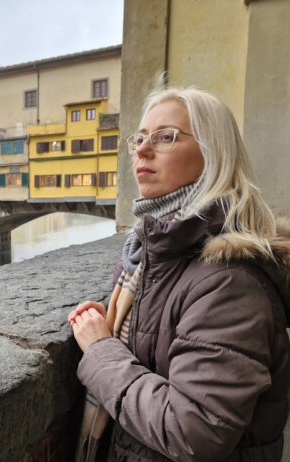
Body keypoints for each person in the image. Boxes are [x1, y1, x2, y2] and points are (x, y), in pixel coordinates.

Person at [68, 87, 290, 462]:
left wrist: (102, 350)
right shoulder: (148, 254)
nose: (142, 149)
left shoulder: (230, 282)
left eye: (165, 137)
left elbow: (195, 432)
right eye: (139, 138)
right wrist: (118, 327)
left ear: (213, 153)